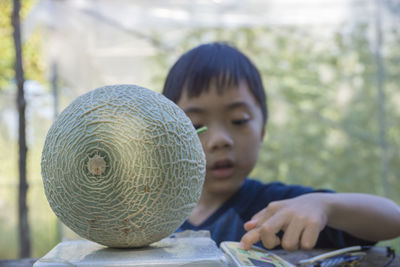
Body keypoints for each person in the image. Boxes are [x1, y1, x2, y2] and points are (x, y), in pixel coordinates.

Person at [162, 42, 400, 251]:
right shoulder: (149, 214)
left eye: (239, 121)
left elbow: (393, 219)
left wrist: (324, 206)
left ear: (262, 130)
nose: (219, 140)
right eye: (195, 125)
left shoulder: (279, 209)